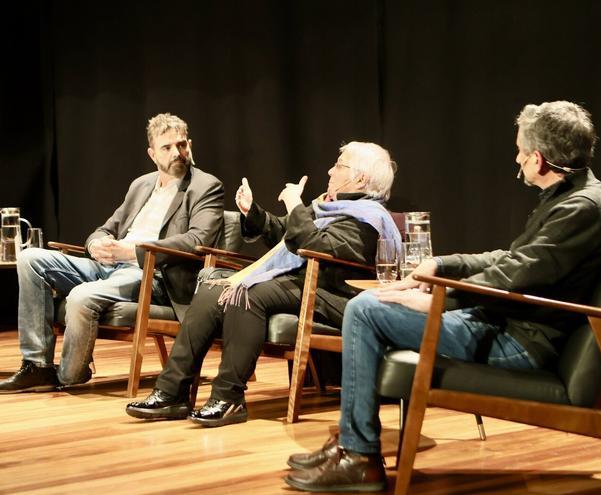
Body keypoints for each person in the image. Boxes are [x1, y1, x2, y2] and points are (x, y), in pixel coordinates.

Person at [284, 101, 601, 493]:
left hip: (521, 341)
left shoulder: (583, 208)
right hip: (503, 323)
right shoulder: (572, 199)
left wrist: (439, 301)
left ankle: (360, 456)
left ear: (537, 159)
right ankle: (353, 442)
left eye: (520, 151)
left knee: (365, 309)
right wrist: (442, 265)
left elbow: (514, 275)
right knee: (371, 306)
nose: (517, 159)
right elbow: (511, 259)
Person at [126, 142, 401, 427]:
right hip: (302, 283)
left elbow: (312, 244)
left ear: (361, 179)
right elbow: (286, 233)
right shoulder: (328, 206)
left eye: (339, 165)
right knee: (213, 287)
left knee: (248, 293)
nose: (331, 171)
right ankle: (172, 392)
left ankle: (228, 397)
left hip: (332, 294)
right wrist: (252, 213)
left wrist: (295, 204)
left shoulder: (367, 219)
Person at [0, 113, 224, 393]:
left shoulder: (205, 186)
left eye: (181, 145)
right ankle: (37, 365)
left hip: (153, 274)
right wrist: (95, 244)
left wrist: (133, 251)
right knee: (30, 259)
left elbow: (197, 241)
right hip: (111, 264)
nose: (177, 153)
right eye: (167, 147)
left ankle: (70, 375)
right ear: (152, 153)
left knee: (80, 296)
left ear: (190, 145)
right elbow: (105, 228)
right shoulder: (142, 185)